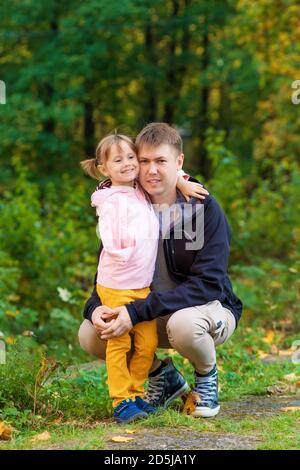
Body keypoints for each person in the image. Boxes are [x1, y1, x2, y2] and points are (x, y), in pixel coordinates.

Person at [79, 123, 242, 418]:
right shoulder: (126, 207)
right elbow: (107, 274)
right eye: (144, 161)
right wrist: (93, 309)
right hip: (149, 312)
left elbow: (209, 284)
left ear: (179, 163)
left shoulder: (202, 208)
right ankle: (162, 378)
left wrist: (136, 311)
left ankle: (206, 376)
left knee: (184, 325)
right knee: (92, 333)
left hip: (206, 309)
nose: (151, 170)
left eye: (161, 161)